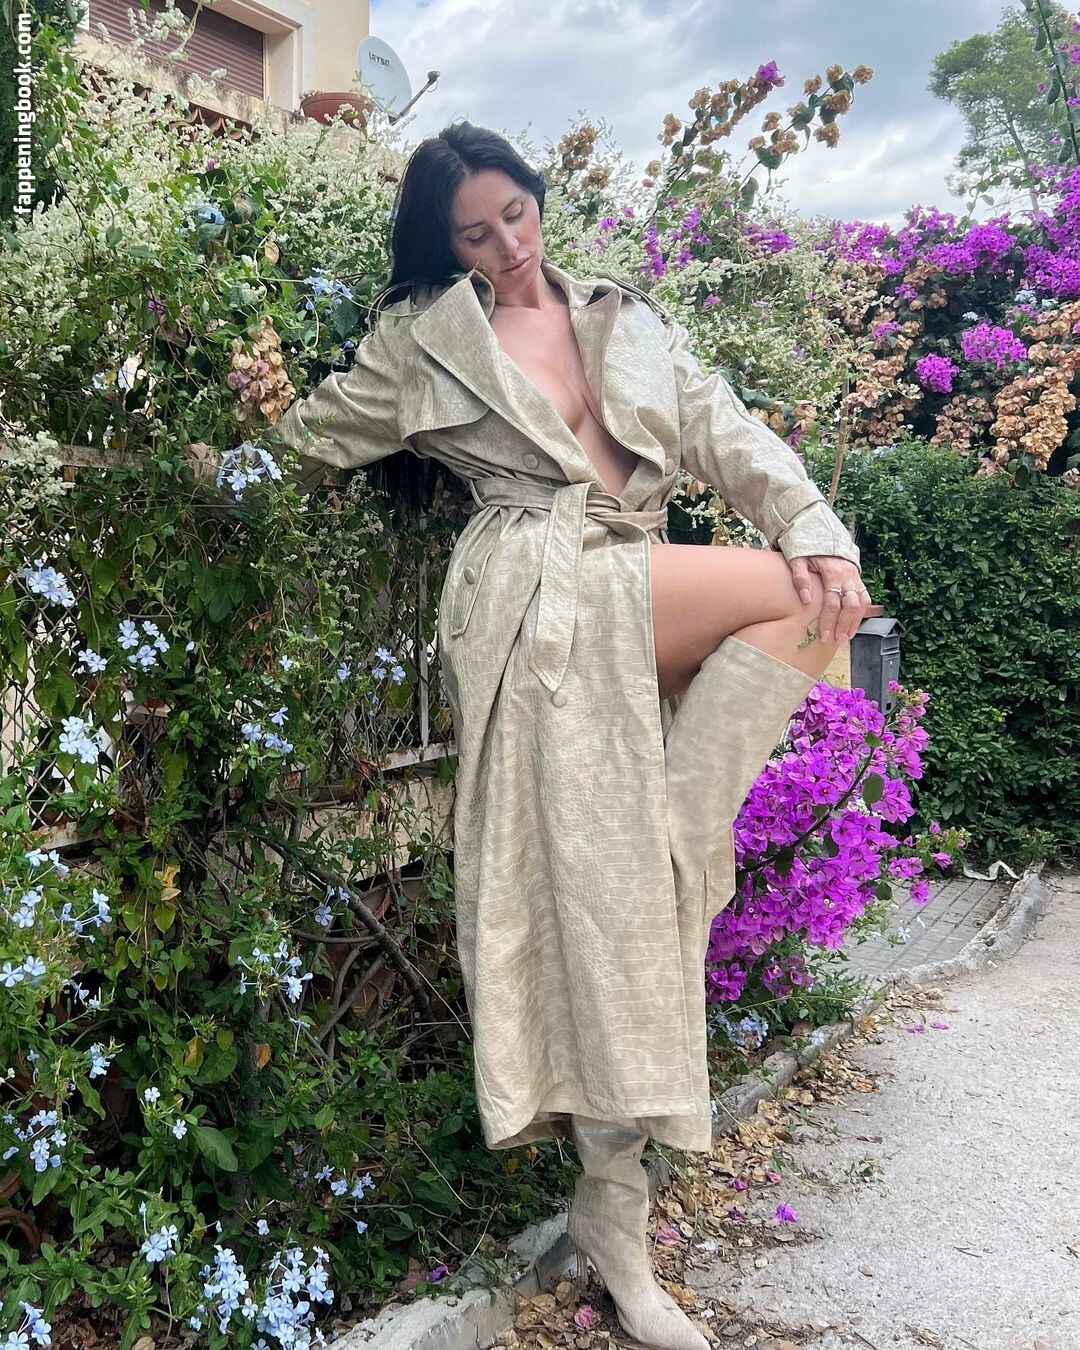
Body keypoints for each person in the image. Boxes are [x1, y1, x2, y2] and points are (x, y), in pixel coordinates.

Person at [265, 121, 871, 1350]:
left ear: (539, 199)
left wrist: (814, 522)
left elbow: (726, 432)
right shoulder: (424, 341)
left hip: (628, 581)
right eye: (474, 234)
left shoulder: (624, 319)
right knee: (609, 891)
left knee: (815, 605)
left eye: (516, 214)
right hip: (537, 600)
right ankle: (624, 1237)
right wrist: (228, 436)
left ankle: (612, 1214)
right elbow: (307, 444)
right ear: (445, 245)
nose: (506, 245)